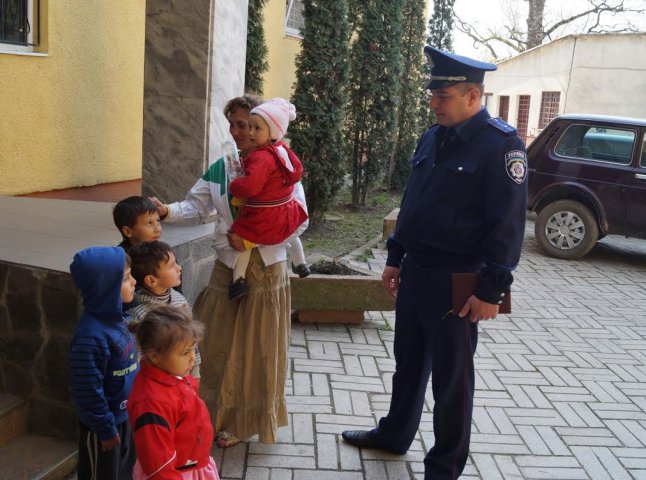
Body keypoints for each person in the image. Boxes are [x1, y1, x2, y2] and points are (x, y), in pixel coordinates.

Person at [341, 47, 528, 479]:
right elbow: (413, 202)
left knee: (452, 380)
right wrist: (395, 256)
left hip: (460, 279)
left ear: (473, 96)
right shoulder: (433, 136)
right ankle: (394, 434)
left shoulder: (502, 146)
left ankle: (443, 467)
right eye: (434, 95)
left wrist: (491, 290)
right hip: (417, 271)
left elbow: (507, 226)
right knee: (408, 362)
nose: (434, 103)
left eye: (443, 96)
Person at [151, 95, 306, 447]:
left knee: (257, 348)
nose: (242, 132)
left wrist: (251, 241)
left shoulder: (281, 165)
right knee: (212, 342)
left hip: (266, 268)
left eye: (248, 125)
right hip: (226, 268)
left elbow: (298, 220)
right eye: (236, 125)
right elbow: (196, 205)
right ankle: (202, 413)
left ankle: (244, 421)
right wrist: (167, 212)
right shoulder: (224, 167)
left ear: (266, 129)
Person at [69, 246, 139, 480]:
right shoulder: (90, 337)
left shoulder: (120, 319)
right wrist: (105, 430)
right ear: (106, 288)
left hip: (125, 417)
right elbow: (88, 390)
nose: (134, 282)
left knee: (124, 472)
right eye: (127, 277)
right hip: (104, 430)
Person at [127, 305, 220, 480]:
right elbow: (159, 466)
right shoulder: (151, 403)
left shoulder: (171, 374)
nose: (193, 357)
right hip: (177, 473)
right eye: (185, 353)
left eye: (194, 349)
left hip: (192, 464)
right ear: (155, 356)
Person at [127, 240, 201, 378]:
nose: (179, 268)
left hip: (185, 377)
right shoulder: (140, 315)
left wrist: (195, 371)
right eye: (171, 266)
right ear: (151, 280)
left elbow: (192, 341)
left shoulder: (180, 300)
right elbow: (139, 358)